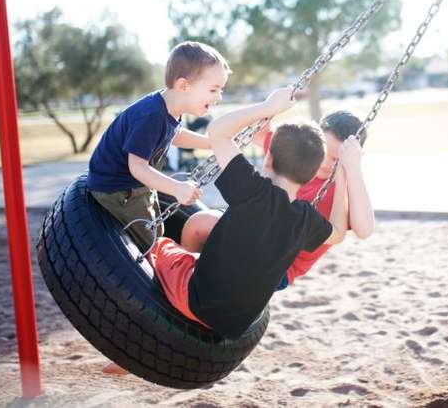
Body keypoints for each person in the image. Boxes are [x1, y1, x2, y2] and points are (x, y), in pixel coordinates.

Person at [147, 86, 355, 339]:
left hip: (194, 303)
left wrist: (268, 108)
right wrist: (343, 175)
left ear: (267, 160)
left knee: (156, 245)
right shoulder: (305, 219)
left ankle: (153, 325)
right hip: (235, 327)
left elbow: (218, 131)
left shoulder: (250, 187)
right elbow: (338, 234)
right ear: (313, 175)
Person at [179, 110, 374, 290]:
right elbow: (256, 133)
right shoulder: (300, 153)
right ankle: (189, 275)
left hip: (278, 266)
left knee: (210, 231)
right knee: (197, 225)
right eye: (325, 153)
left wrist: (352, 171)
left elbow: (364, 230)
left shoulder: (344, 190)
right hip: (252, 228)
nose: (324, 162)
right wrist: (268, 110)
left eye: (337, 159)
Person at [86, 41, 229, 250]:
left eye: (221, 90)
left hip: (135, 185)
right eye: (213, 90)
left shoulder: (169, 107)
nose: (219, 97)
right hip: (117, 189)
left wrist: (212, 144)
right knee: (149, 241)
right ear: (184, 86)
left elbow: (175, 134)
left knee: (158, 229)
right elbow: (137, 167)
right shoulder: (151, 115)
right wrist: (177, 188)